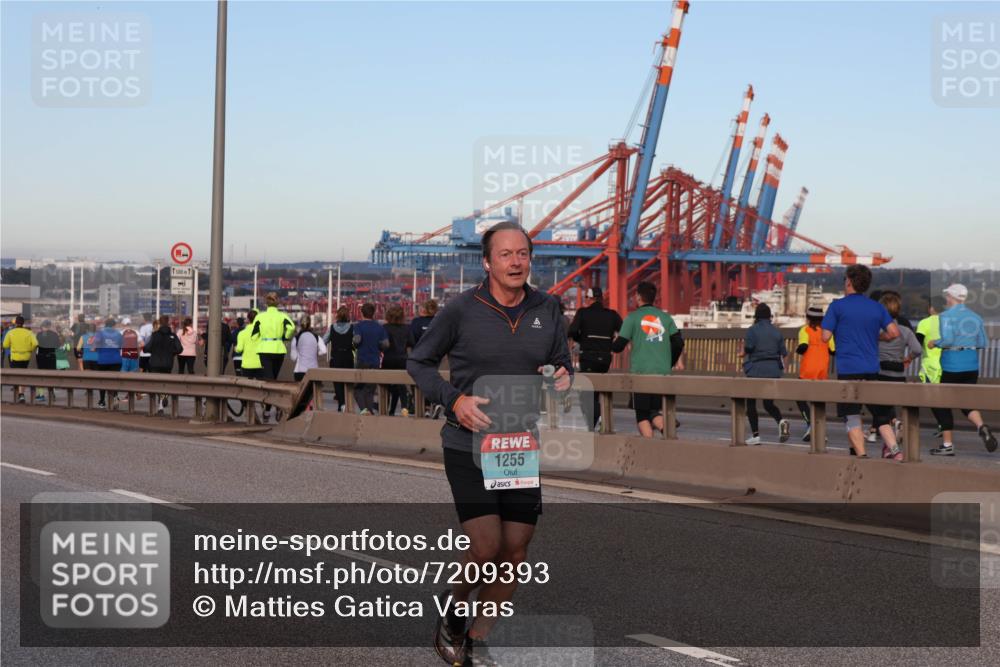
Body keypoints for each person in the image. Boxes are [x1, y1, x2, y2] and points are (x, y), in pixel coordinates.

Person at [409, 221, 572, 666]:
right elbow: (418, 361)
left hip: (519, 445)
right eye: (506, 254)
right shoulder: (461, 310)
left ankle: (476, 640)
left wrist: (563, 376)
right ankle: (452, 613)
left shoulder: (548, 308)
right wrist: (454, 398)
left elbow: (560, 361)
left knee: (515, 552)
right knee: (485, 548)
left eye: (522, 253)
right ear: (487, 262)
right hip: (469, 444)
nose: (516, 261)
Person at [821, 265, 902, 459]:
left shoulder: (837, 306)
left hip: (848, 369)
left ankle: (862, 455)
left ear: (848, 281)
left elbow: (825, 336)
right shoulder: (876, 307)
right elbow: (894, 333)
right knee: (880, 413)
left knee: (851, 414)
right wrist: (876, 337)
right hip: (871, 368)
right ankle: (896, 451)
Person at [928, 284, 996, 455]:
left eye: (947, 296)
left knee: (941, 404)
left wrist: (934, 342)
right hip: (971, 366)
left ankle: (947, 445)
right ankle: (981, 426)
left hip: (952, 366)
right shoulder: (975, 317)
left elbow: (948, 340)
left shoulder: (945, 316)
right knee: (966, 403)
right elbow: (982, 343)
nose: (946, 299)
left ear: (951, 297)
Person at [611, 281, 684, 438]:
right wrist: (670, 361)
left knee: (642, 414)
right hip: (662, 373)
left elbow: (618, 346)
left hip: (640, 372)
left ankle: (650, 446)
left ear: (638, 297)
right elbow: (679, 342)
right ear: (654, 298)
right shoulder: (665, 318)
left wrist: (609, 343)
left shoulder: (632, 318)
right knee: (653, 410)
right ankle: (667, 427)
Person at [870, 292, 923, 447]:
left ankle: (891, 445)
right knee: (888, 410)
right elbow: (918, 349)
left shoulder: (875, 330)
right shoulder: (905, 331)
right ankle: (892, 438)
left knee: (880, 413)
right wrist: (908, 359)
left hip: (880, 374)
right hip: (898, 375)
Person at [568, 286, 622, 431]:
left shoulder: (583, 313)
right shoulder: (612, 314)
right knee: (599, 390)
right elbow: (624, 331)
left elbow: (572, 330)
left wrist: (582, 339)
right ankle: (600, 420)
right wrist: (612, 344)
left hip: (588, 357)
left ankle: (593, 422)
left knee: (587, 392)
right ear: (601, 299)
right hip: (605, 359)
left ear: (590, 298)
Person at [739, 304, 790, 444]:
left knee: (750, 403)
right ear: (769, 317)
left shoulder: (752, 330)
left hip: (756, 370)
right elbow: (784, 354)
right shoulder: (777, 332)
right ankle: (781, 421)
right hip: (773, 371)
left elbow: (748, 348)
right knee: (768, 404)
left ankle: (755, 435)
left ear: (756, 316)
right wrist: (782, 369)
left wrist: (742, 349)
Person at [795, 306, 835, 442]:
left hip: (807, 371)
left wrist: (798, 350)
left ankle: (810, 425)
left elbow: (803, 346)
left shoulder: (804, 330)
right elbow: (833, 351)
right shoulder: (827, 332)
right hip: (822, 372)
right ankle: (821, 431)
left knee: (800, 398)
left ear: (808, 318)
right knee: (818, 402)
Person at [916, 296, 945, 438]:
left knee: (933, 399)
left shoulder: (924, 323)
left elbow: (917, 343)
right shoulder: (948, 323)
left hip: (930, 367)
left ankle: (942, 425)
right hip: (946, 365)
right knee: (944, 398)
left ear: (931, 308)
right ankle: (944, 426)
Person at [352, 303, 389, 415]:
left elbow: (357, 341)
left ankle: (364, 409)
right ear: (373, 313)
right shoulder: (379, 327)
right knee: (370, 390)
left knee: (357, 388)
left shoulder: (358, 326)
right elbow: (386, 344)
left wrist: (356, 345)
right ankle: (370, 411)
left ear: (361, 313)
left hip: (362, 360)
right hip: (375, 361)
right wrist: (378, 348)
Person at [252, 292, 295, 384]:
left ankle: (269, 396)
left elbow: (254, 336)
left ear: (266, 303)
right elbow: (292, 327)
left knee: (268, 377)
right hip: (279, 349)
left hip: (265, 349)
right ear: (277, 303)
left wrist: (259, 338)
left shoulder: (259, 317)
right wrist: (286, 337)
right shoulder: (283, 316)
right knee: (274, 377)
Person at [144, 315, 183, 413]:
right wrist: (171, 353)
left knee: (157, 384)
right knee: (165, 383)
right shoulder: (173, 335)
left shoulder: (154, 335)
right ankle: (164, 397)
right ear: (168, 322)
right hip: (167, 363)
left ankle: (160, 405)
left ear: (160, 323)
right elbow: (180, 349)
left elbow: (147, 348)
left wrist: (151, 350)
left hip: (154, 363)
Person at [381, 304, 411, 415]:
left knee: (387, 384)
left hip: (388, 359)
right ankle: (404, 407)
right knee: (401, 384)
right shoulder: (407, 328)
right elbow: (411, 342)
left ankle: (387, 408)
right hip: (402, 359)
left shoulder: (384, 328)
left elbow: (382, 343)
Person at [324, 306, 355, 411]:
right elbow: (356, 342)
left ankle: (341, 404)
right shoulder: (352, 328)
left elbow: (324, 341)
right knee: (348, 382)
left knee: (337, 383)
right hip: (348, 357)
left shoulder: (332, 328)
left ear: (337, 315)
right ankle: (345, 403)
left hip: (336, 357)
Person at [3, 315, 38, 403]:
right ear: (23, 323)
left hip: (14, 357)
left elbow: (5, 345)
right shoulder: (29, 333)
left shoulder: (11, 332)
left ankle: (19, 395)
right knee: (23, 375)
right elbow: (35, 343)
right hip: (26, 357)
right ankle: (21, 394)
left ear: (15, 323)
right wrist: (29, 350)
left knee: (16, 376)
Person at [92, 317, 124, 408]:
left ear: (105, 324)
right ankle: (115, 397)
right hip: (116, 360)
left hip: (103, 360)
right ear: (114, 325)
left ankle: (102, 401)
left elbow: (95, 344)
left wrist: (95, 348)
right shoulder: (118, 334)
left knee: (102, 380)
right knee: (115, 379)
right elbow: (122, 346)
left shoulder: (100, 333)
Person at [290, 315, 326, 382]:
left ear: (300, 324)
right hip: (314, 371)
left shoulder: (296, 338)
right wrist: (316, 353)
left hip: (299, 371)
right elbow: (324, 351)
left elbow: (293, 358)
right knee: (312, 391)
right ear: (310, 324)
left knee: (301, 392)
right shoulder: (316, 337)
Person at [234, 310, 262, 379]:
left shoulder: (242, 333)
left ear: (248, 320)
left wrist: (235, 348)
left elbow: (239, 349)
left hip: (247, 364)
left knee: (247, 387)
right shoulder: (262, 332)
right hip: (260, 363)